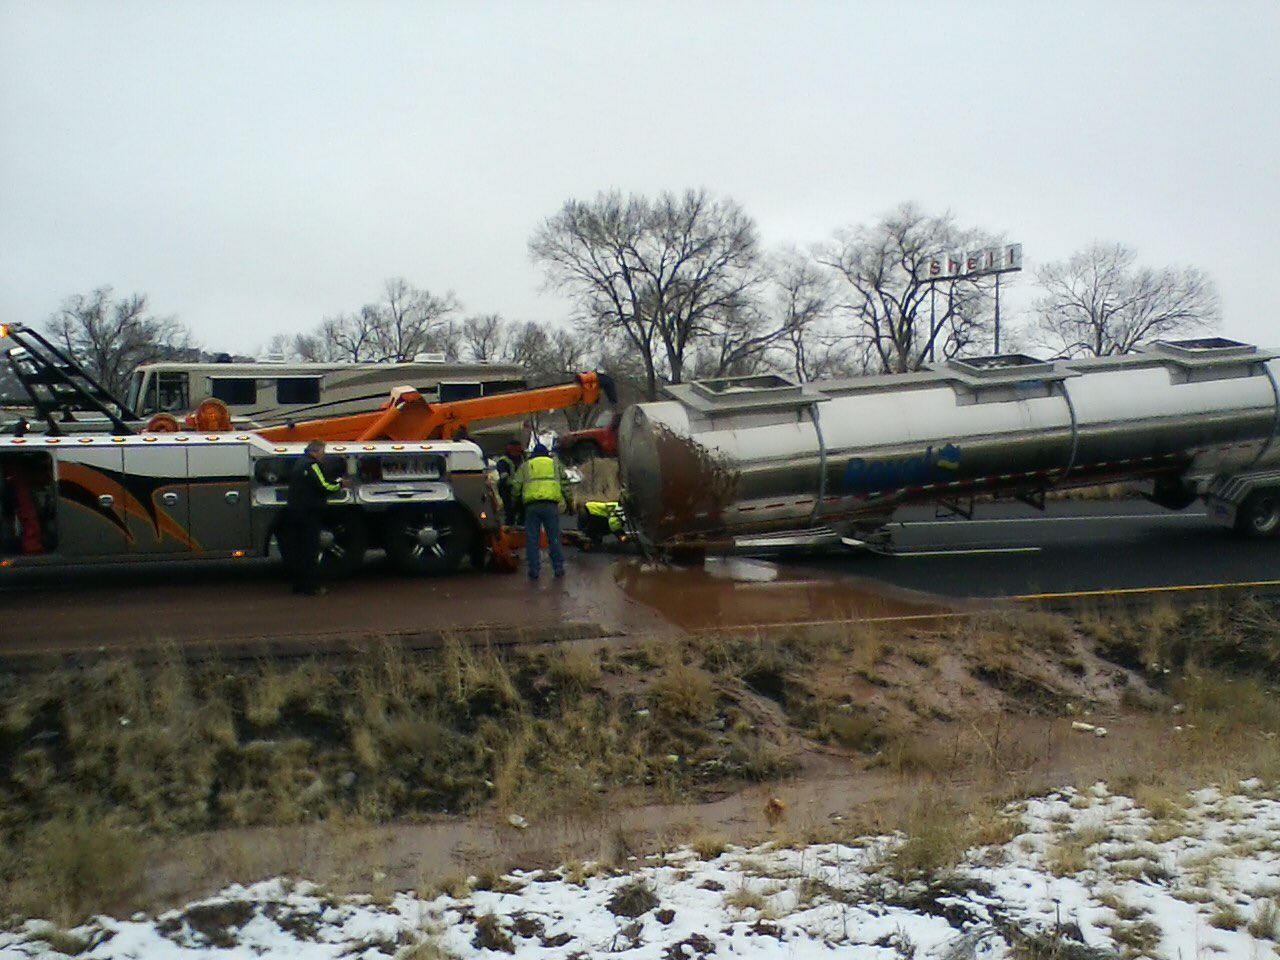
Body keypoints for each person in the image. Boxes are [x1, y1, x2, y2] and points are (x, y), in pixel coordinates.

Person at [283, 439, 348, 596]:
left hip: (296, 511)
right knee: (310, 551)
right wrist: (340, 485)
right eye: (322, 452)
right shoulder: (312, 465)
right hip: (309, 513)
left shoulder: (299, 464)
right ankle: (310, 587)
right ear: (315, 451)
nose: (323, 456)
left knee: (300, 551)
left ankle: (299, 586)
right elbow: (325, 486)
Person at [511, 441, 569, 580]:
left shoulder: (525, 466)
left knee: (532, 539)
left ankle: (534, 570)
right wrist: (570, 503)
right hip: (551, 505)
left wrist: (514, 504)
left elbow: (516, 486)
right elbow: (565, 485)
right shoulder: (555, 465)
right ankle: (558, 568)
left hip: (531, 506)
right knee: (554, 537)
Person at [494, 437, 526, 525]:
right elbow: (504, 477)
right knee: (510, 513)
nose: (516, 452)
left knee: (523, 513)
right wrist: (515, 484)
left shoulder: (524, 460)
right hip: (507, 490)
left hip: (522, 490)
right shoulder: (503, 461)